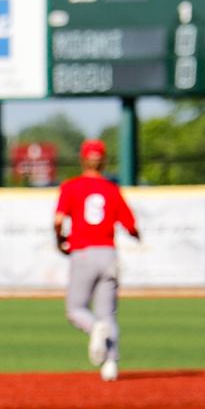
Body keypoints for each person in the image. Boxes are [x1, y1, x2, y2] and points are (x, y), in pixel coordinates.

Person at [53, 139, 140, 382]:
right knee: (108, 313)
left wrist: (60, 240)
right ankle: (111, 364)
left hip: (83, 252)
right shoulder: (111, 189)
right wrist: (137, 235)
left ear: (82, 160)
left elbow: (59, 220)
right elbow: (131, 225)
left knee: (76, 309)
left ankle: (95, 329)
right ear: (104, 161)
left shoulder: (71, 187)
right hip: (108, 254)